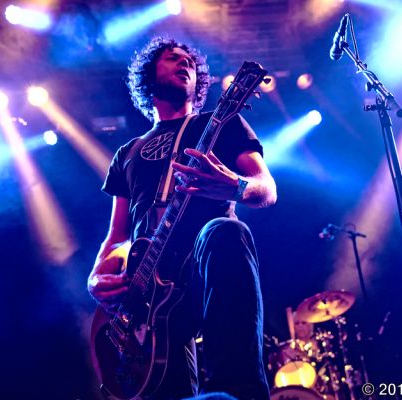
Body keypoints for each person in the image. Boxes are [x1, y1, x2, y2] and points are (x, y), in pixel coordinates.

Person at [87, 36, 277, 400]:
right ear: (148, 75)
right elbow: (118, 235)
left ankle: (235, 391)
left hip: (201, 266)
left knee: (225, 230)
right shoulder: (127, 152)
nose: (185, 63)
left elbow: (266, 188)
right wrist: (98, 276)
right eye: (173, 58)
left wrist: (235, 186)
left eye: (190, 61)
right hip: (146, 291)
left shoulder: (221, 123)